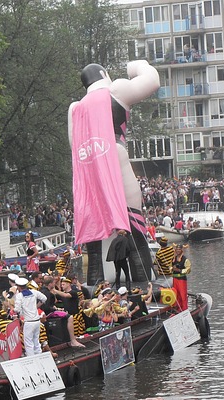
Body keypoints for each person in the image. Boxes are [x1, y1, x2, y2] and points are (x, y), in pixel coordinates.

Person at [68, 61, 159, 286]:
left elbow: (74, 145)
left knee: (95, 226)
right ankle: (142, 278)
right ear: (104, 74)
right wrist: (137, 66)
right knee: (132, 218)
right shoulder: (115, 90)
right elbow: (152, 81)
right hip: (113, 154)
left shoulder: (75, 109)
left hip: (87, 165)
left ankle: (96, 280)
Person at [13, 277, 47, 356]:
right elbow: (44, 298)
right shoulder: (34, 292)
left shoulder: (19, 296)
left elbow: (17, 309)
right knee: (36, 341)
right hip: (37, 321)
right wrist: (37, 306)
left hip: (29, 322)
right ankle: (39, 356)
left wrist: (12, 308)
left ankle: (31, 359)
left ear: (18, 287)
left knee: (28, 343)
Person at [172, 244, 191, 312]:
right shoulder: (173, 259)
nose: (178, 251)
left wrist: (180, 270)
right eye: (177, 249)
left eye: (179, 249)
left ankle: (185, 309)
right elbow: (170, 267)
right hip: (175, 279)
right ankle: (178, 309)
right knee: (176, 295)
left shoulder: (185, 259)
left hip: (181, 279)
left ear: (182, 250)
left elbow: (188, 269)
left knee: (183, 295)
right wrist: (172, 269)